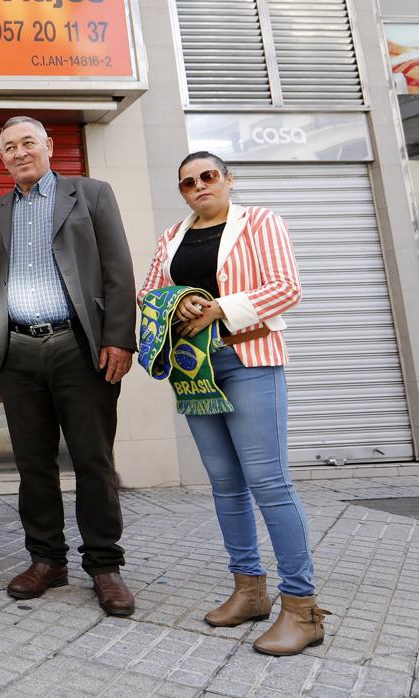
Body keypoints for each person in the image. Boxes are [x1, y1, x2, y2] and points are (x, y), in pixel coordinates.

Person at [138, 152, 327, 655]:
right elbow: (148, 293)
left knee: (269, 481)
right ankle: (249, 590)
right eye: (187, 183)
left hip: (249, 360)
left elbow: (286, 288)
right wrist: (178, 301)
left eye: (207, 176)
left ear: (227, 179)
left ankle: (302, 607)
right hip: (194, 369)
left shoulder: (260, 222)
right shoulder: (171, 238)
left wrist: (221, 307)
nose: (198, 186)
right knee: (224, 482)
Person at [0, 116, 138, 616]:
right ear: (1, 157)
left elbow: (117, 267)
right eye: (9, 147)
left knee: (93, 459)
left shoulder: (90, 195)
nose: (19, 152)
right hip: (18, 353)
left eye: (28, 142)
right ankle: (47, 559)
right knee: (33, 464)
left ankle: (104, 566)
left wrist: (118, 338)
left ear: (48, 146)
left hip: (77, 346)